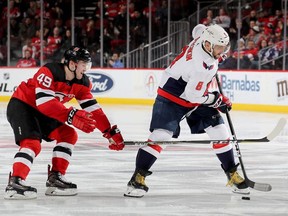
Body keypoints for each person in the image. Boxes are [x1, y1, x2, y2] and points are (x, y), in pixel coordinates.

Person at [124, 24, 249, 198]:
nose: (222, 51)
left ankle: (232, 174)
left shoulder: (201, 39)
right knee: (161, 136)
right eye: (220, 48)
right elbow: (194, 96)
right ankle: (136, 179)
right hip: (172, 97)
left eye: (223, 47)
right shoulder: (202, 67)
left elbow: (198, 29)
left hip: (192, 92)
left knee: (220, 131)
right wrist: (216, 99)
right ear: (208, 45)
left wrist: (213, 98)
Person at [5, 46, 125, 200]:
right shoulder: (49, 71)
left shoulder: (83, 83)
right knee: (32, 143)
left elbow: (95, 111)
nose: (86, 68)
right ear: (73, 64)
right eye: (84, 64)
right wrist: (71, 115)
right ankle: (15, 182)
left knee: (68, 134)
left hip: (44, 112)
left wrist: (109, 132)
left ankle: (56, 178)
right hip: (23, 105)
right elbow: (45, 103)